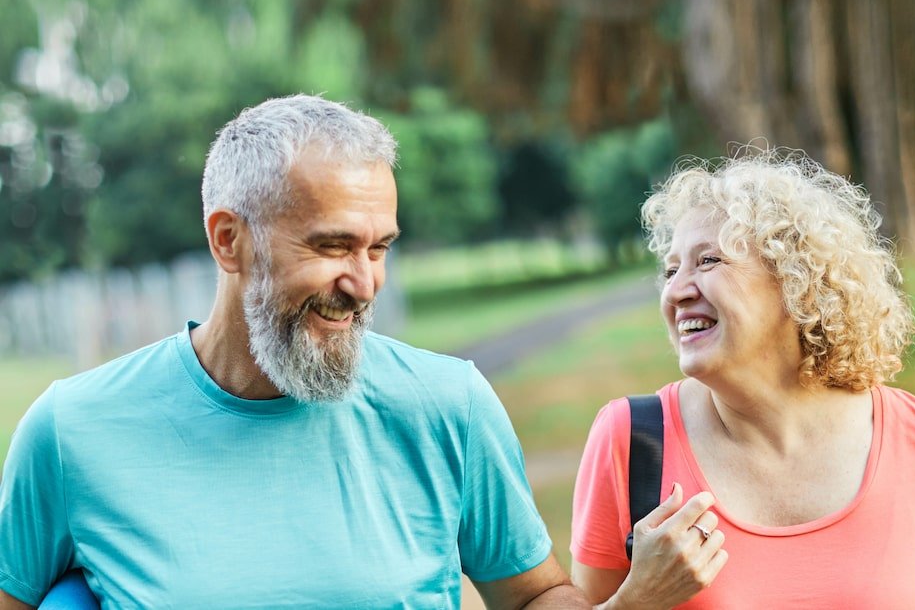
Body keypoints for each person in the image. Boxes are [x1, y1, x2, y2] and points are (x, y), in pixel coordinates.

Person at [0, 95, 590, 609]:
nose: (363, 284)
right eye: (333, 246)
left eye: (379, 248)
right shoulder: (70, 431)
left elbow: (535, 594)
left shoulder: (449, 406)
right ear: (229, 241)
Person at [570, 151, 915, 608]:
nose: (674, 291)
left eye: (708, 261)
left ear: (795, 281)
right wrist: (635, 602)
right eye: (671, 270)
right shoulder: (632, 443)